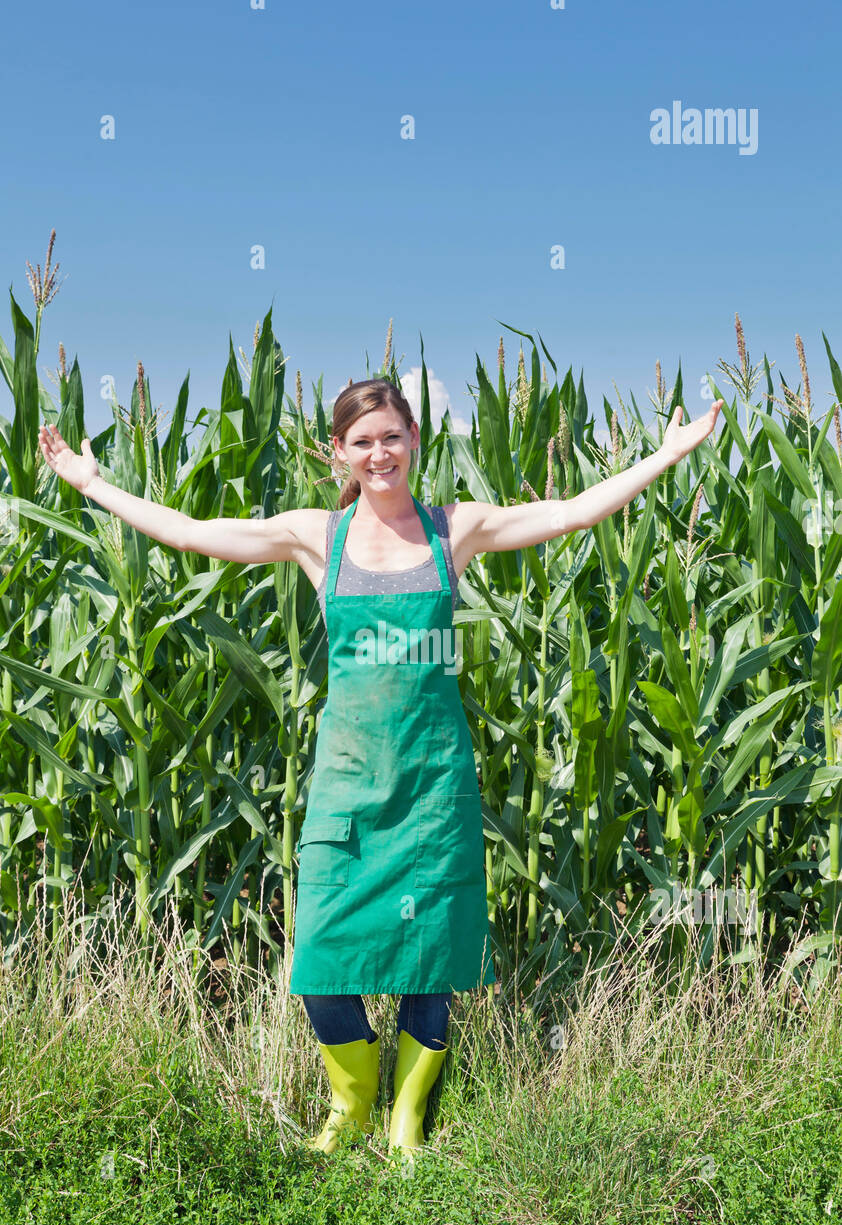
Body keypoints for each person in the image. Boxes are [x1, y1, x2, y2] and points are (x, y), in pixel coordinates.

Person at [38, 379, 721, 1166]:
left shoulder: (452, 529)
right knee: (324, 953)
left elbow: (567, 513)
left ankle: (407, 1119)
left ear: (414, 439)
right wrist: (93, 485)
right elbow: (192, 533)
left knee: (433, 947)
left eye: (390, 437)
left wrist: (664, 458)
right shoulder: (314, 536)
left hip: (434, 780)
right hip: (349, 782)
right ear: (339, 452)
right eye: (361, 441)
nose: (378, 453)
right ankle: (351, 1103)